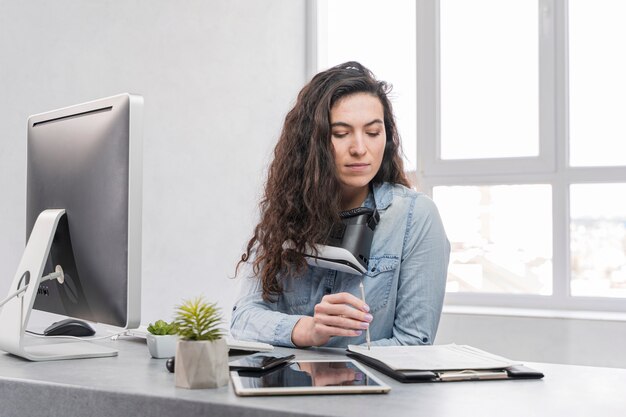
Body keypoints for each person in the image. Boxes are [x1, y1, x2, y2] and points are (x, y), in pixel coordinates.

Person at [230, 61, 450, 348]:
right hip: (288, 388)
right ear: (313, 142)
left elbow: (414, 344)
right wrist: (307, 329)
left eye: (373, 133)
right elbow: (243, 318)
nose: (360, 148)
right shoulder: (286, 211)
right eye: (340, 133)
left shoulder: (415, 217)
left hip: (369, 390)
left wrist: (337, 353)